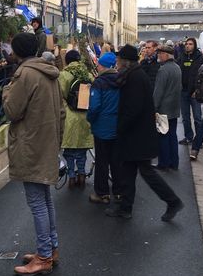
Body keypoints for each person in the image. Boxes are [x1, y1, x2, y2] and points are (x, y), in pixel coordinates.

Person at [2, 32, 63, 276]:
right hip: (47, 141)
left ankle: (44, 257)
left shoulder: (24, 74)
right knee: (45, 200)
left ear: (15, 51)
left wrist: (6, 90)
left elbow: (12, 111)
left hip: (30, 143)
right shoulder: (49, 72)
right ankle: (50, 248)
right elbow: (61, 111)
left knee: (38, 202)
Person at [105, 44, 184, 221]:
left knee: (146, 173)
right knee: (129, 172)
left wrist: (120, 128)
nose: (116, 63)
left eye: (118, 60)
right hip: (137, 135)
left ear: (125, 61)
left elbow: (133, 109)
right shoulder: (133, 75)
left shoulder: (134, 78)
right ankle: (126, 208)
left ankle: (172, 201)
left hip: (137, 136)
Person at [86, 52, 122, 204]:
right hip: (118, 127)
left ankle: (102, 193)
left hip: (102, 127)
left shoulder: (99, 83)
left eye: (99, 64)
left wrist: (89, 119)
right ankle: (119, 192)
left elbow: (94, 107)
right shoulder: (121, 80)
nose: (97, 66)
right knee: (117, 161)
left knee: (102, 161)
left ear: (103, 66)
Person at [59, 50, 94, 188]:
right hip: (85, 115)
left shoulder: (64, 75)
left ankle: (72, 177)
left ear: (67, 61)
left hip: (69, 115)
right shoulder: (88, 74)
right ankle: (81, 174)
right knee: (82, 149)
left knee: (69, 149)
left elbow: (59, 95)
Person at [153, 45, 182, 171]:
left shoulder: (163, 70)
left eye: (160, 53)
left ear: (166, 55)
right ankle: (174, 162)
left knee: (163, 136)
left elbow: (158, 91)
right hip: (174, 107)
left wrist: (153, 108)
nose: (158, 55)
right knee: (172, 136)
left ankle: (163, 163)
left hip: (164, 109)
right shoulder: (177, 68)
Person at [177, 37, 203, 145]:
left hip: (195, 92)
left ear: (194, 45)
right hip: (183, 91)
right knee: (185, 117)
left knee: (197, 117)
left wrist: (197, 89)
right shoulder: (181, 56)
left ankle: (199, 140)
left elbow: (202, 75)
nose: (188, 46)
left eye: (190, 44)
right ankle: (188, 137)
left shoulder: (199, 57)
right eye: (187, 44)